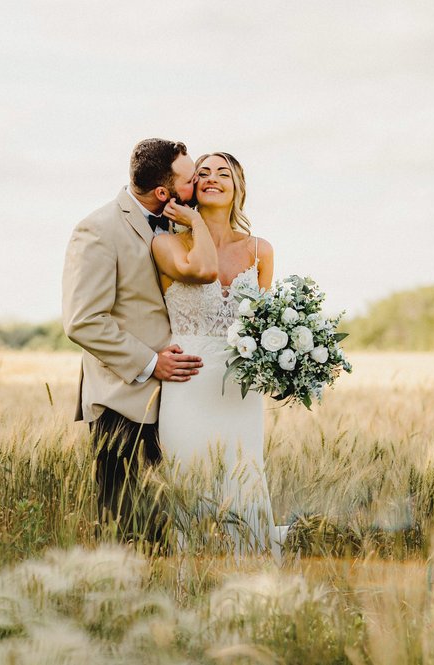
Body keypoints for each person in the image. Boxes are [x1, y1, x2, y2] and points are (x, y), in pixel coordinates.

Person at [62, 138, 204, 543]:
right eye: (191, 179)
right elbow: (83, 320)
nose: (198, 185)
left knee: (176, 524)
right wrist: (150, 362)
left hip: (180, 401)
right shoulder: (98, 229)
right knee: (129, 530)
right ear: (164, 192)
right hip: (122, 401)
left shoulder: (185, 223)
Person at [151, 152, 284, 559]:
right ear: (190, 188)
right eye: (203, 173)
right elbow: (201, 271)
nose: (212, 179)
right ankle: (188, 584)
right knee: (189, 485)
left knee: (245, 486)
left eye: (223, 173)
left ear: (237, 187)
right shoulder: (167, 244)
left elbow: (264, 326)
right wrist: (192, 223)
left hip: (239, 393)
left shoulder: (261, 250)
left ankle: (252, 585)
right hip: (187, 383)